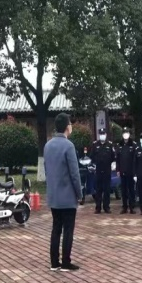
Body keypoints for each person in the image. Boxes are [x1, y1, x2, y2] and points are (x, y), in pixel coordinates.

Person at [44, 114, 83, 272]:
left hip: (54, 195)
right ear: (67, 127)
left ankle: (54, 262)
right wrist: (79, 193)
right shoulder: (69, 146)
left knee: (56, 229)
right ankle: (66, 262)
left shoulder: (48, 145)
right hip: (67, 196)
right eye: (70, 124)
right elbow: (74, 173)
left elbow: (46, 170)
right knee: (68, 230)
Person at [89, 128, 115, 214]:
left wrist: (112, 164)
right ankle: (98, 207)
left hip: (107, 170)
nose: (102, 135)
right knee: (98, 189)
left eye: (103, 134)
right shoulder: (95, 144)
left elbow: (113, 157)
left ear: (106, 135)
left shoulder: (110, 145)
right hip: (98, 170)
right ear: (99, 135)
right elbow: (92, 156)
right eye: (101, 134)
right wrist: (93, 165)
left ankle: (106, 207)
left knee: (107, 189)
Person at [116, 127, 137, 214]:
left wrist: (135, 172)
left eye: (127, 132)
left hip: (131, 171)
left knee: (131, 189)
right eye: (124, 132)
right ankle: (124, 207)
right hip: (122, 171)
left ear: (129, 134)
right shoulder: (119, 145)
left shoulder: (133, 144)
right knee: (123, 190)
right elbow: (117, 159)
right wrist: (118, 170)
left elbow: (135, 159)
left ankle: (132, 207)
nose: (125, 134)